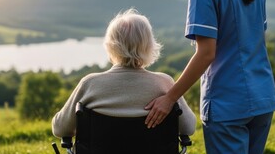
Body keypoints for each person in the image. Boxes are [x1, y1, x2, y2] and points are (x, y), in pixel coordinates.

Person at [144, 0, 275, 154]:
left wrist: (170, 97)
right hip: (262, 98)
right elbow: (256, 40)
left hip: (228, 104)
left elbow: (206, 54)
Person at [52, 8, 196, 138]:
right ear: (149, 45)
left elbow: (60, 129)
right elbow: (188, 128)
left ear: (110, 45)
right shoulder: (165, 83)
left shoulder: (90, 84)